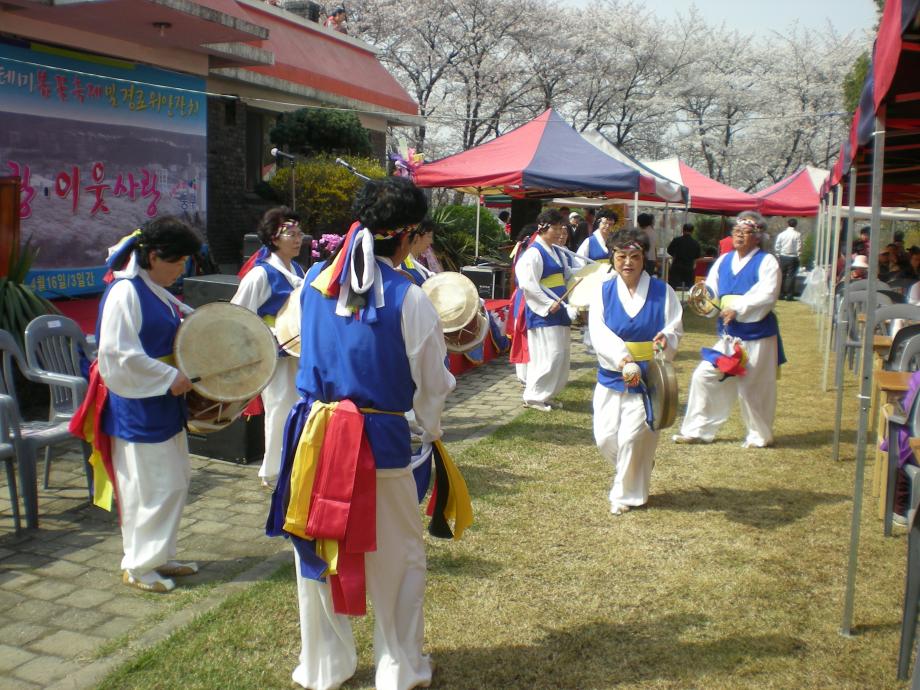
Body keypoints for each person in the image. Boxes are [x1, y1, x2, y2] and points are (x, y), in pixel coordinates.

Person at [269, 177, 457, 690]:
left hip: (313, 437)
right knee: (397, 558)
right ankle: (398, 667)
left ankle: (324, 666)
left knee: (317, 549)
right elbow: (432, 385)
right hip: (380, 442)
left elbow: (295, 346)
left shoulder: (312, 282)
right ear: (409, 233)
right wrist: (428, 431)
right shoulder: (409, 298)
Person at [95, 217, 202, 593]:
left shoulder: (154, 288)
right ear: (154, 256)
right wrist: (170, 377)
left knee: (174, 481)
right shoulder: (126, 292)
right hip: (139, 406)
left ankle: (160, 554)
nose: (182, 269)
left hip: (162, 401)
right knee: (148, 487)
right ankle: (139, 566)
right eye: (177, 261)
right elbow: (117, 354)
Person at [588, 227, 682, 515]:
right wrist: (621, 357)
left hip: (649, 379)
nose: (627, 262)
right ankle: (639, 463)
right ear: (612, 258)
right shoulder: (603, 291)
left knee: (632, 437)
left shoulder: (662, 292)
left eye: (634, 256)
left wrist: (666, 338)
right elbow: (599, 331)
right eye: (621, 256)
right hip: (613, 373)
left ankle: (624, 494)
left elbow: (674, 326)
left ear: (644, 259)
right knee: (605, 438)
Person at [674, 210, 783, 449]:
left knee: (754, 388)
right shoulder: (723, 261)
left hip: (756, 334)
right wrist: (707, 305)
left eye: (746, 232)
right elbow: (711, 290)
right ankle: (697, 430)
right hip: (728, 336)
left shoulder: (767, 261)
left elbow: (767, 295)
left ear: (757, 236)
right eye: (737, 231)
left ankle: (759, 434)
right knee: (703, 376)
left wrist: (739, 307)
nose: (740, 236)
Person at [231, 207, 306, 487]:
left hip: (297, 351)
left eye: (299, 233)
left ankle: (293, 462)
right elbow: (238, 315)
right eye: (291, 233)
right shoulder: (260, 275)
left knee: (296, 406)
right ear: (274, 238)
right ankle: (272, 470)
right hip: (276, 354)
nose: (298, 238)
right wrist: (268, 338)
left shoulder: (297, 269)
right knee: (278, 408)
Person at [514, 209, 576, 411]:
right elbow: (528, 283)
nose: (560, 233)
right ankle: (533, 396)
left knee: (561, 354)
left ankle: (547, 394)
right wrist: (547, 304)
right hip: (545, 311)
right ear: (543, 229)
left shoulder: (556, 251)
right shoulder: (534, 253)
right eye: (556, 229)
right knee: (548, 354)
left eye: (562, 228)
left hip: (559, 308)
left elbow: (567, 275)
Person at [400, 217, 436, 286]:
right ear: (416, 237)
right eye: (429, 236)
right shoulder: (403, 267)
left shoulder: (410, 261)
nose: (431, 241)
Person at [666, 223, 702, 291]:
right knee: (690, 288)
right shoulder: (695, 243)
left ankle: (670, 300)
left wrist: (675, 255)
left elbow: (669, 250)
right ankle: (690, 301)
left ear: (683, 230)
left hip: (677, 266)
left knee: (672, 287)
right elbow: (697, 256)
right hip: (689, 267)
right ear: (692, 231)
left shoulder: (676, 240)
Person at [774, 218, 802, 301]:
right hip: (793, 256)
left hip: (783, 256)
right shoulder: (797, 234)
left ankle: (781, 294)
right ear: (796, 225)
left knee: (781, 276)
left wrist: (778, 254)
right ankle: (789, 295)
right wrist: (799, 255)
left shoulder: (782, 234)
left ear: (787, 224)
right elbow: (799, 246)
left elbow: (777, 245)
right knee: (791, 276)